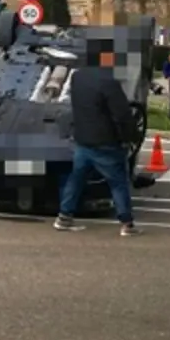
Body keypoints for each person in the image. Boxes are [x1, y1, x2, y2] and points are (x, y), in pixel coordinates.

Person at [55, 41, 142, 237]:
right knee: (118, 182)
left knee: (76, 179)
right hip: (106, 142)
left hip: (83, 139)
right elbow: (122, 114)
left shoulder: (77, 77)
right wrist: (130, 137)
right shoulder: (109, 81)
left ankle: (64, 217)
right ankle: (127, 224)